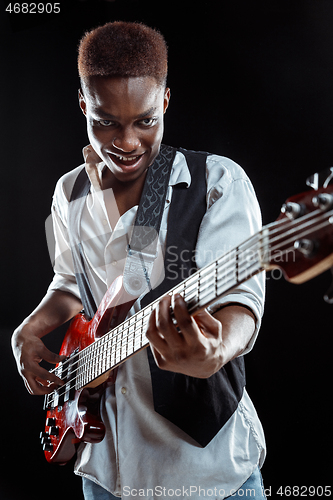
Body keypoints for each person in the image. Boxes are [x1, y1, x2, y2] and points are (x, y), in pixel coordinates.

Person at [12, 21, 266, 499]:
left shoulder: (218, 182)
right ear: (84, 105)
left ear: (165, 102)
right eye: (106, 121)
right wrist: (26, 330)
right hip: (106, 470)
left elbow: (242, 301)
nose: (126, 142)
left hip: (206, 471)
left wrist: (218, 349)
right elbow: (70, 284)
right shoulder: (67, 193)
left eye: (144, 121)